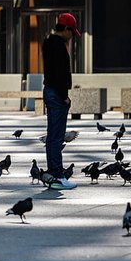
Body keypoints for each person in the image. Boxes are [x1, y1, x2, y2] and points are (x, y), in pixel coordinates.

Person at [42, 13, 80, 190]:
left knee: (52, 136)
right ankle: (57, 175)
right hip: (56, 94)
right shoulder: (57, 45)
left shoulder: (49, 42)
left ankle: (53, 173)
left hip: (50, 91)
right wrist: (64, 96)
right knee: (57, 136)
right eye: (72, 31)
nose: (72, 35)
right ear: (65, 29)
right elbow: (58, 73)